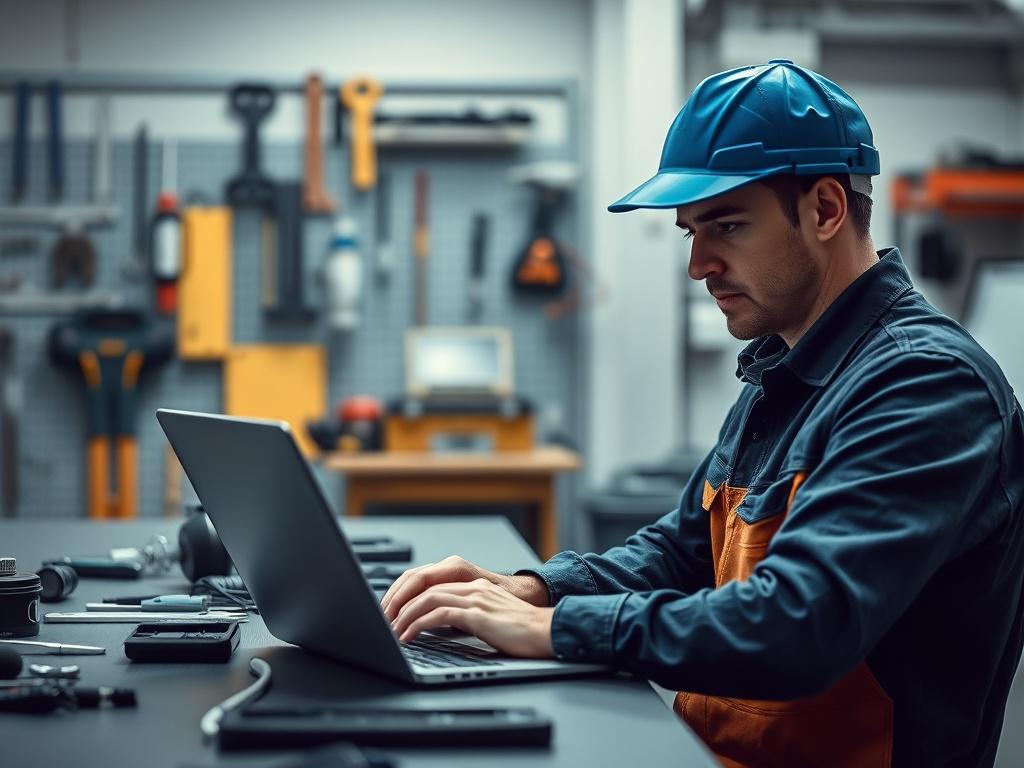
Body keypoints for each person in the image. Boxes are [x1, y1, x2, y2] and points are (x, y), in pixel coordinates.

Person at [381, 60, 1024, 767]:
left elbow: (796, 629)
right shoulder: (784, 367)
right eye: (691, 231)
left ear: (826, 209)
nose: (698, 264)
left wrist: (557, 626)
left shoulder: (926, 385)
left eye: (726, 225)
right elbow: (683, 552)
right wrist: (533, 588)